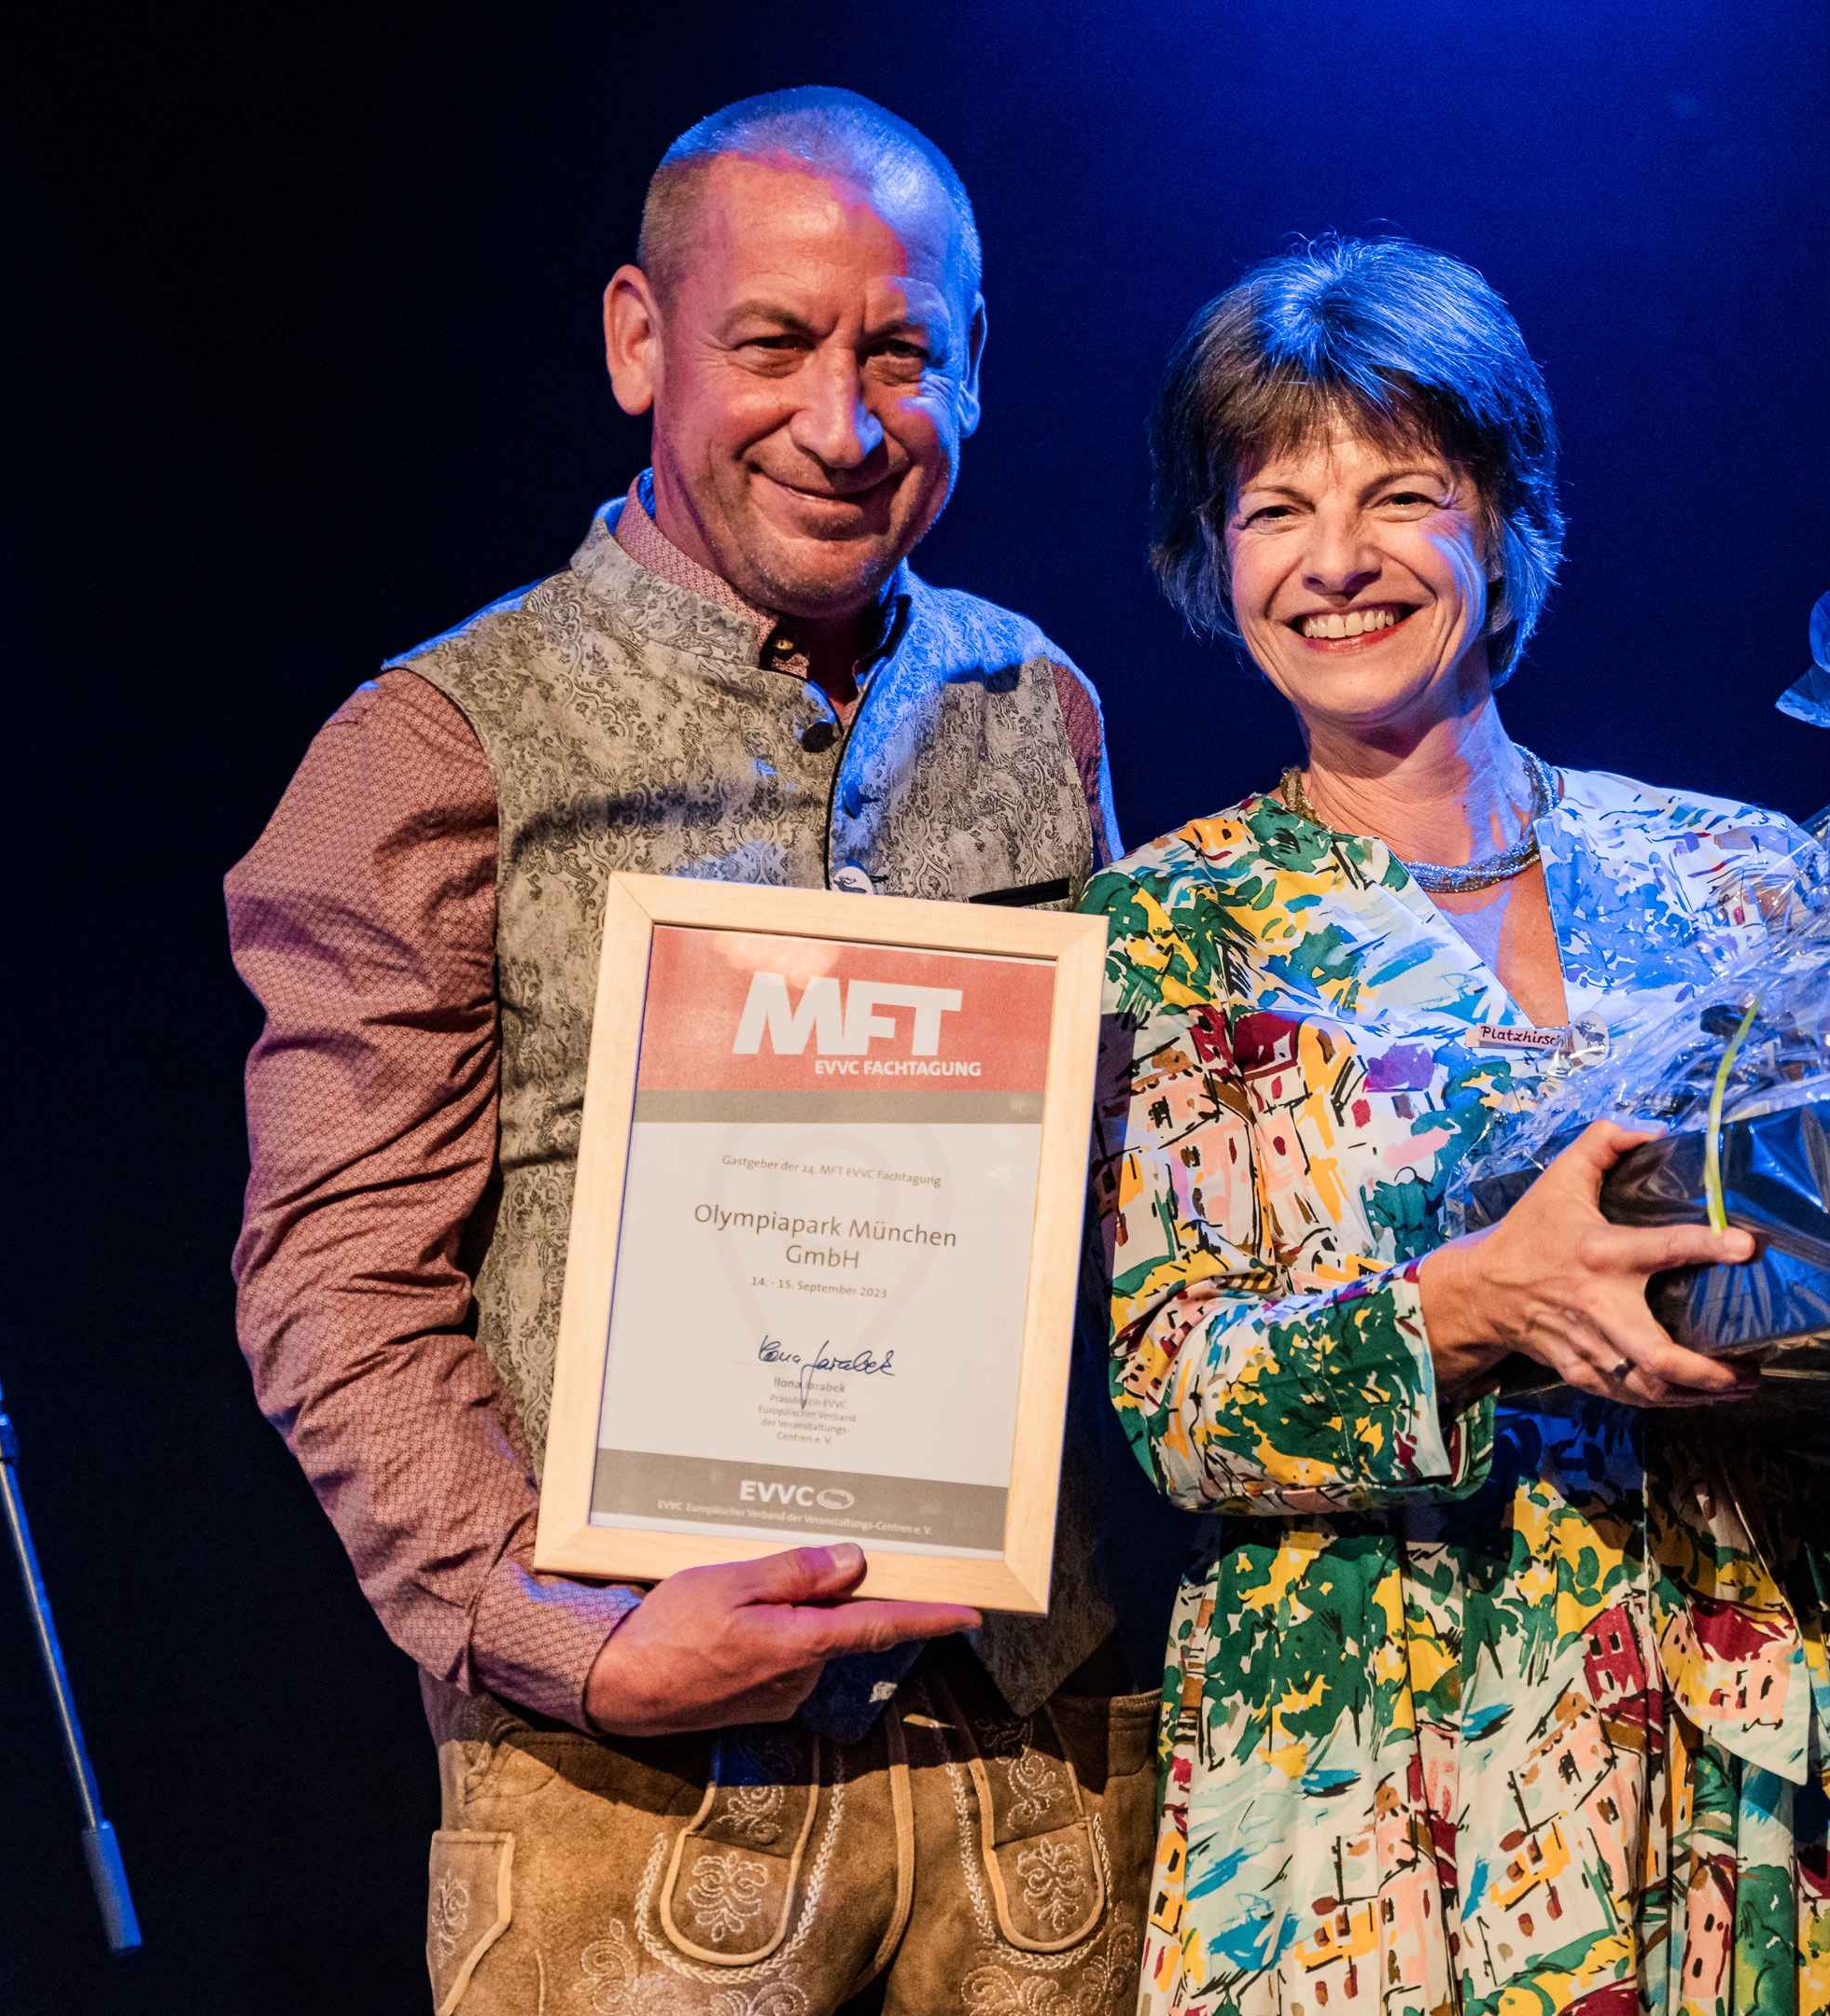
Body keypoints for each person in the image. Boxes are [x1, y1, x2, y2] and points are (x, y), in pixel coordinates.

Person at [1087, 238, 1830, 2015]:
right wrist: (1479, 1307)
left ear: (1509, 524)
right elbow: (1176, 1404)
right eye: (1274, 510)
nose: (1336, 561)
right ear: (1214, 559)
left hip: (1759, 1775)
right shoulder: (1160, 933)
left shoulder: (1744, 875)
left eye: (1404, 492)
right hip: (1370, 1802)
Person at [228, 88, 1156, 2016]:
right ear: (640, 341)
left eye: (902, 351)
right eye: (775, 344)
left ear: (976, 367)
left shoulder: (1039, 708)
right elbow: (333, 1281)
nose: (843, 420)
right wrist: (562, 1635)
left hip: (1039, 1777)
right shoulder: (430, 745)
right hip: (631, 1806)